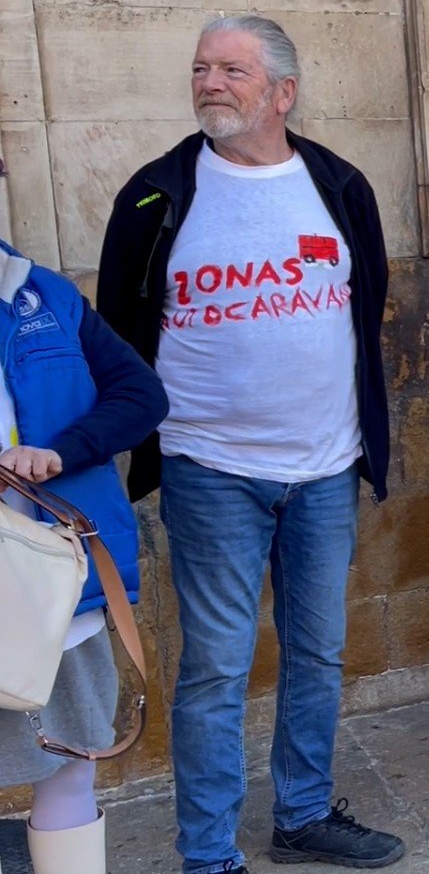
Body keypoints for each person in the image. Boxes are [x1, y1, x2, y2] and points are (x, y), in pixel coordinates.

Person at [96, 15, 403, 872]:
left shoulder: (340, 186)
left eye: (232, 68)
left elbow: (363, 307)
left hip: (325, 467)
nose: (210, 82)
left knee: (318, 650)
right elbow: (121, 332)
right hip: (210, 470)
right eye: (200, 67)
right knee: (216, 667)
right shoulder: (154, 195)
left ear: (283, 92)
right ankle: (207, 852)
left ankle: (302, 815)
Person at [1, 240, 167, 874]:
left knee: (69, 769)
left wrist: (60, 452)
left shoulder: (44, 291)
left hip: (53, 585)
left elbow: (140, 395)